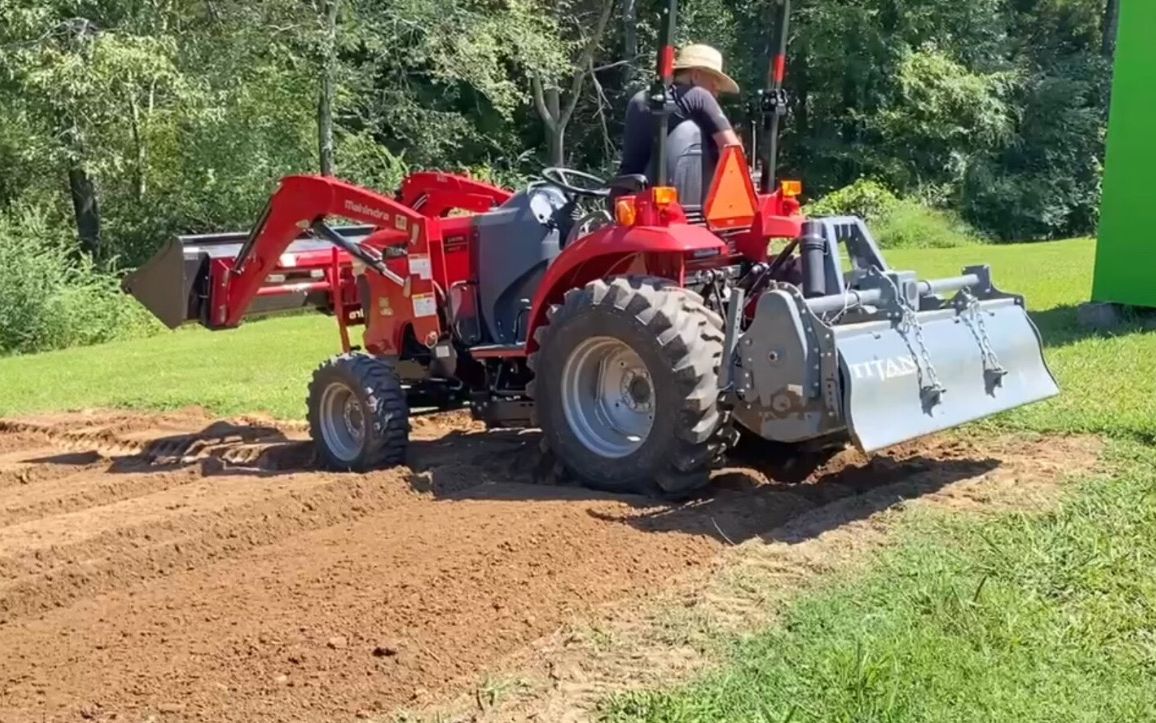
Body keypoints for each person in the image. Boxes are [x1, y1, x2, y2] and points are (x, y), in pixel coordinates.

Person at [616, 44, 743, 208]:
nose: (716, 92)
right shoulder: (698, 96)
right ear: (696, 76)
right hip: (665, 209)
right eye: (714, 84)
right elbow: (733, 149)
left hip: (624, 203)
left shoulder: (639, 99)